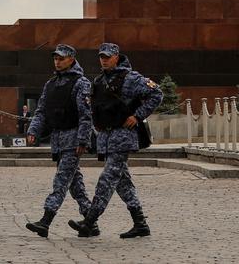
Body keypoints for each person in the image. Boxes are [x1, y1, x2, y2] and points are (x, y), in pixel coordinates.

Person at [67, 43, 162, 240]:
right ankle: (140, 224)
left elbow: (156, 94)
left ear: (117, 57)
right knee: (122, 183)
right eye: (101, 56)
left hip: (123, 136)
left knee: (107, 179)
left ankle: (90, 221)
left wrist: (137, 116)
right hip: (106, 138)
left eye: (108, 56)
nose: (104, 59)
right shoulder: (99, 80)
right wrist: (97, 124)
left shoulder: (131, 78)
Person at [25, 44, 95, 238]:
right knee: (75, 183)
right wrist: (33, 131)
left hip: (73, 141)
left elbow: (85, 115)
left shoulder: (81, 83)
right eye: (55, 58)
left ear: (71, 59)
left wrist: (83, 140)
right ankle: (90, 221)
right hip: (58, 140)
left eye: (61, 58)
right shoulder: (51, 84)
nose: (57, 61)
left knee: (61, 181)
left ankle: (45, 221)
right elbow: (41, 111)